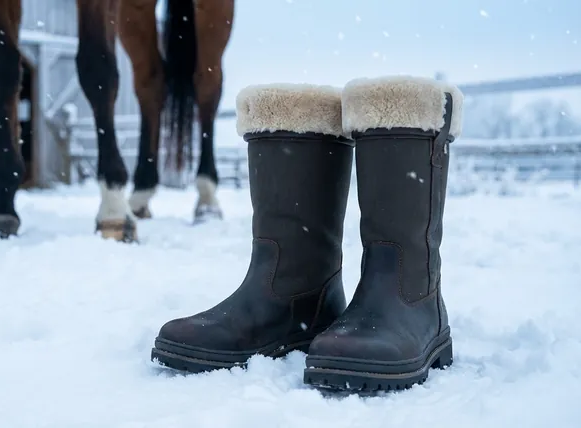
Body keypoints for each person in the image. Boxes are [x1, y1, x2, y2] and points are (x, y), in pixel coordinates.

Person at [150, 75, 464, 392]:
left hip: (411, 307)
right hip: (304, 306)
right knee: (285, 114)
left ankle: (414, 304)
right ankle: (304, 302)